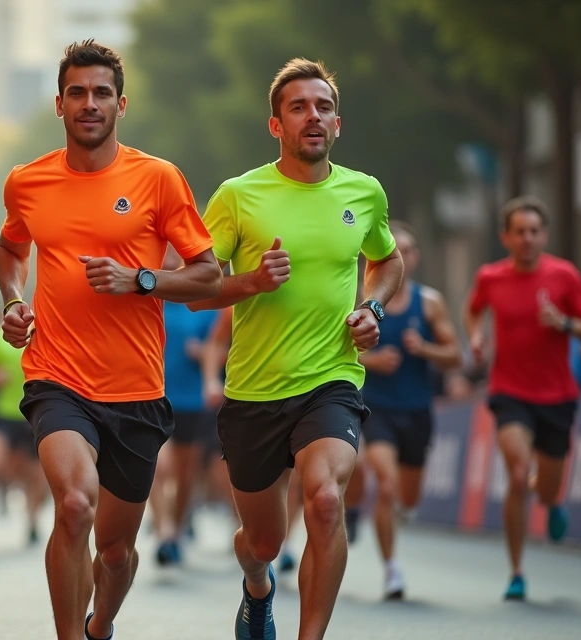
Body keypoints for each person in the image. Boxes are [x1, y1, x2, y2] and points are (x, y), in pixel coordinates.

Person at [0, 41, 221, 640]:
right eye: (77, 93)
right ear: (59, 104)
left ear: (121, 104)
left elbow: (208, 274)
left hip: (137, 389)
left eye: (101, 94)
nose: (89, 104)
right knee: (73, 504)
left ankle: (100, 626)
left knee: (116, 551)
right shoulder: (28, 181)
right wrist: (15, 300)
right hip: (56, 377)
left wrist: (141, 280)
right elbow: (12, 249)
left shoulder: (158, 178)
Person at [189, 58, 404, 639]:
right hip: (254, 390)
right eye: (299, 107)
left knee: (326, 501)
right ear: (275, 125)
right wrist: (251, 282)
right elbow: (199, 291)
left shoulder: (364, 192)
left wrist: (372, 307)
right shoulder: (239, 195)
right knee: (263, 541)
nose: (313, 116)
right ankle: (257, 586)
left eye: (324, 107)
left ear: (338, 123)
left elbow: (387, 260)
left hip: (331, 379)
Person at [465, 195, 581, 601]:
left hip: (557, 394)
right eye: (519, 232)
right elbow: (473, 311)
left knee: (544, 487)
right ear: (505, 236)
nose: (527, 239)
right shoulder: (490, 277)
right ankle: (516, 570)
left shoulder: (565, 276)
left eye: (534, 231)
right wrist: (476, 337)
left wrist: (565, 323)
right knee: (518, 469)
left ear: (545, 235)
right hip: (510, 391)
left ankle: (551, 502)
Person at [351, 222, 462, 600]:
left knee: (408, 498)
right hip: (375, 407)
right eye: (394, 248)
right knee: (386, 485)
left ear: (414, 258)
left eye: (409, 249)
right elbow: (335, 353)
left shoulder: (429, 303)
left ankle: (391, 515)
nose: (402, 255)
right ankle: (392, 571)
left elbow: (455, 355)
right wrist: (372, 360)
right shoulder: (358, 300)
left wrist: (426, 350)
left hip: (417, 409)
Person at [152, 247, 220, 567]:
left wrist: (205, 352)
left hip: (192, 399)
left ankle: (176, 530)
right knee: (157, 468)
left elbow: (222, 348)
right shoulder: (149, 291)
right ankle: (164, 531)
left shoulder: (203, 300)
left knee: (184, 474)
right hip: (152, 394)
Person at [0, 313, 48, 546]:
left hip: (34, 414)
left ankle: (32, 521)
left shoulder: (44, 331)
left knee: (36, 474)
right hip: (3, 413)